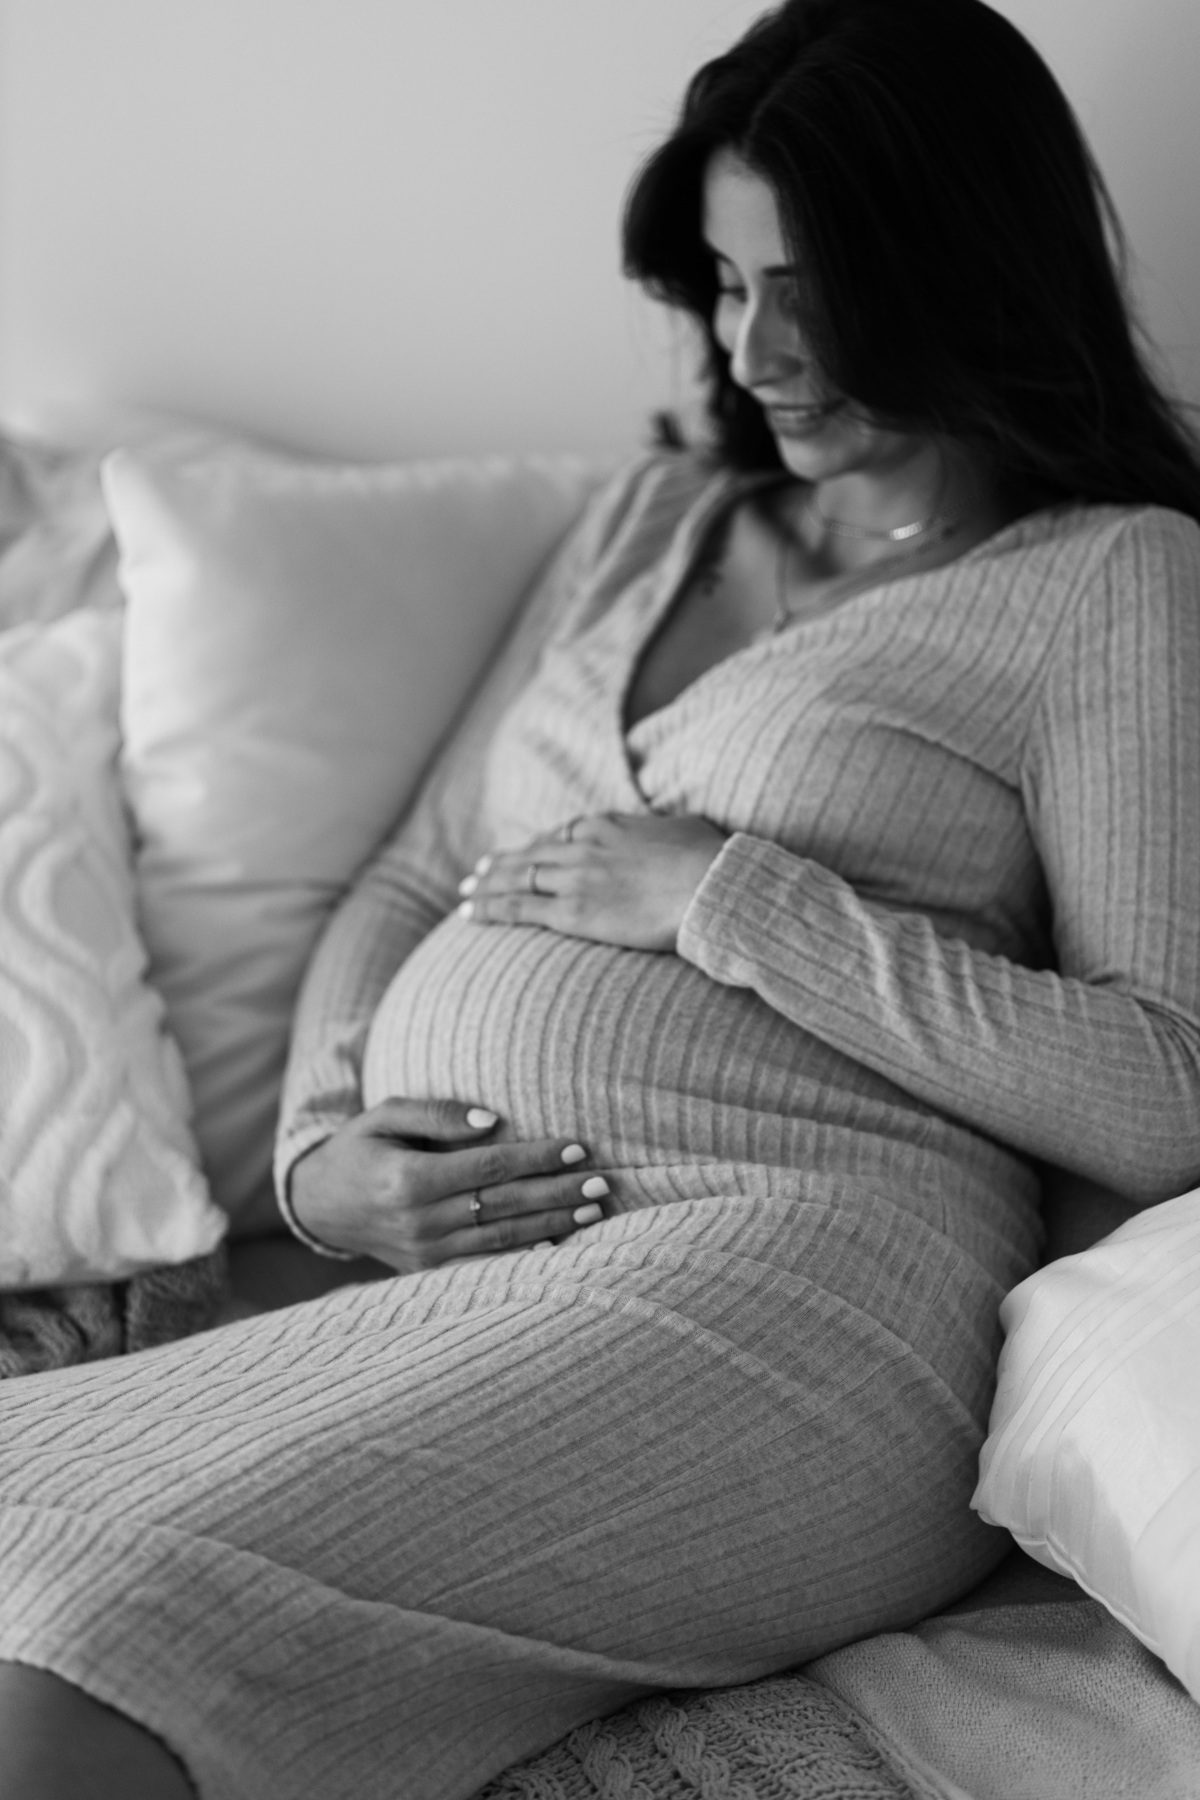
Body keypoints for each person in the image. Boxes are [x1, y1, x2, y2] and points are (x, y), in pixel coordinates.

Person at [1, 0, 1198, 1795]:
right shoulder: (658, 522)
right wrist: (319, 1160)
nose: (759, 348)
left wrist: (735, 899)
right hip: (485, 1278)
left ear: (970, 267)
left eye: (814, 289)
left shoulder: (1113, 579)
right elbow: (415, 871)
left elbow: (1164, 1085)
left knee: (91, 1629)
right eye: (724, 284)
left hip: (807, 1275)